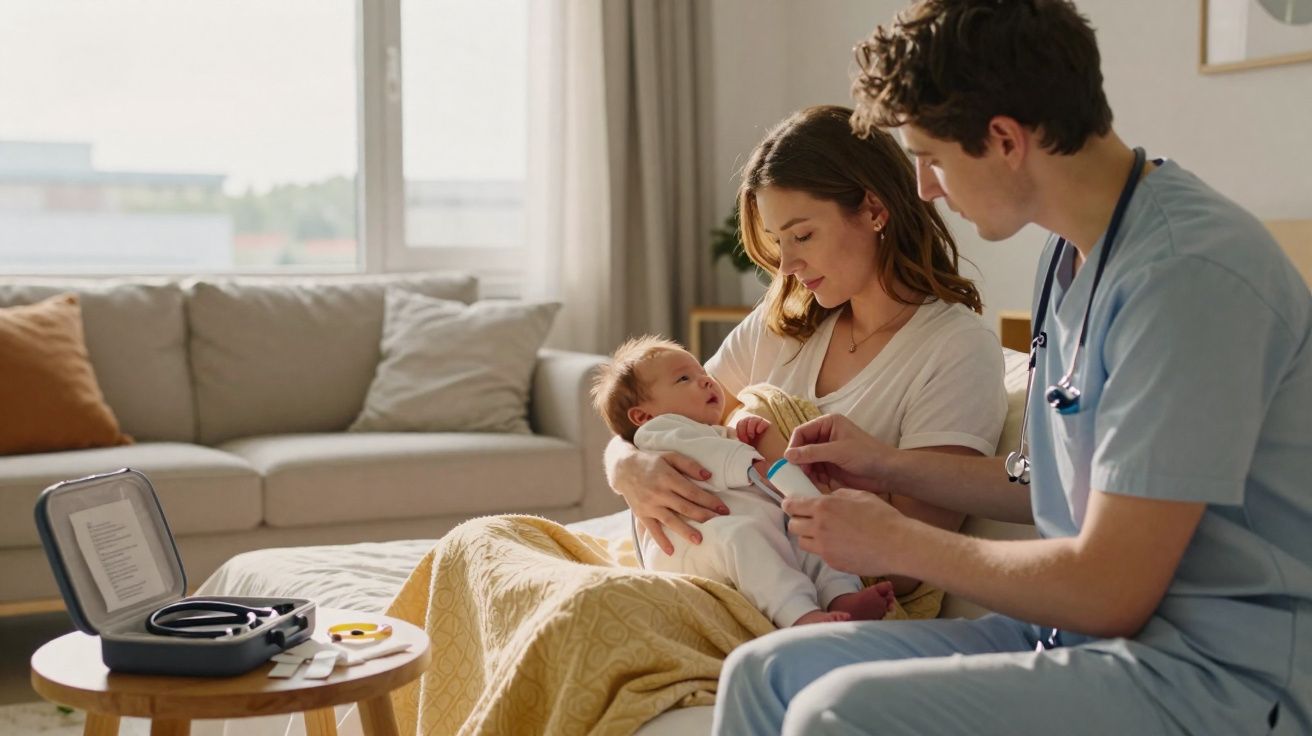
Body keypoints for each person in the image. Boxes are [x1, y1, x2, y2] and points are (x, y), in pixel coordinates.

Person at [714, 1, 1312, 734]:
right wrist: (886, 465)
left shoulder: (1189, 276)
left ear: (1003, 140)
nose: (924, 189)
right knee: (765, 671)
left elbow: (1111, 589)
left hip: (1216, 672)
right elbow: (1041, 482)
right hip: (1073, 637)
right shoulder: (1069, 256)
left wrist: (898, 541)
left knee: (835, 714)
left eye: (930, 158)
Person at [605, 103, 1007, 622]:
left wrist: (792, 486)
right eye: (777, 242)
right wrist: (627, 468)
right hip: (709, 558)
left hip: (799, 588)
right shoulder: (783, 324)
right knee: (485, 542)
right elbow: (661, 414)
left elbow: (906, 561)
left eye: (803, 235)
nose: (788, 266)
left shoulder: (954, 348)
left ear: (873, 210)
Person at [592, 334, 898, 627]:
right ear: (642, 417)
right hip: (694, 543)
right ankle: (799, 615)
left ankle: (841, 596)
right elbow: (711, 456)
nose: (706, 379)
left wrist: (741, 435)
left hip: (751, 526)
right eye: (684, 379)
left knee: (811, 536)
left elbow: (717, 446)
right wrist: (749, 460)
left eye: (701, 372)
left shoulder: (710, 432)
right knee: (742, 538)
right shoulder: (657, 433)